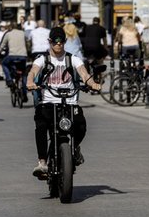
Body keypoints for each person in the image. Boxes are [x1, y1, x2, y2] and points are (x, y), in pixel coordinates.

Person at [26, 26, 102, 178]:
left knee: (81, 125)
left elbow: (84, 74)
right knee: (41, 126)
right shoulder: (43, 59)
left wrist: (92, 84)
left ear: (65, 42)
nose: (58, 45)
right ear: (50, 42)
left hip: (70, 102)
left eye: (61, 42)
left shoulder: (73, 59)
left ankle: (75, 149)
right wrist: (30, 82)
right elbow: (33, 71)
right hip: (48, 101)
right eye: (55, 42)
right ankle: (42, 162)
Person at [0, 21, 30, 102]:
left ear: (11, 27)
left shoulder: (8, 34)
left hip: (12, 56)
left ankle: (9, 80)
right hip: (23, 56)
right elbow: (28, 42)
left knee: (4, 64)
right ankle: (24, 94)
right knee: (23, 74)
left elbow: (2, 45)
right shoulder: (23, 33)